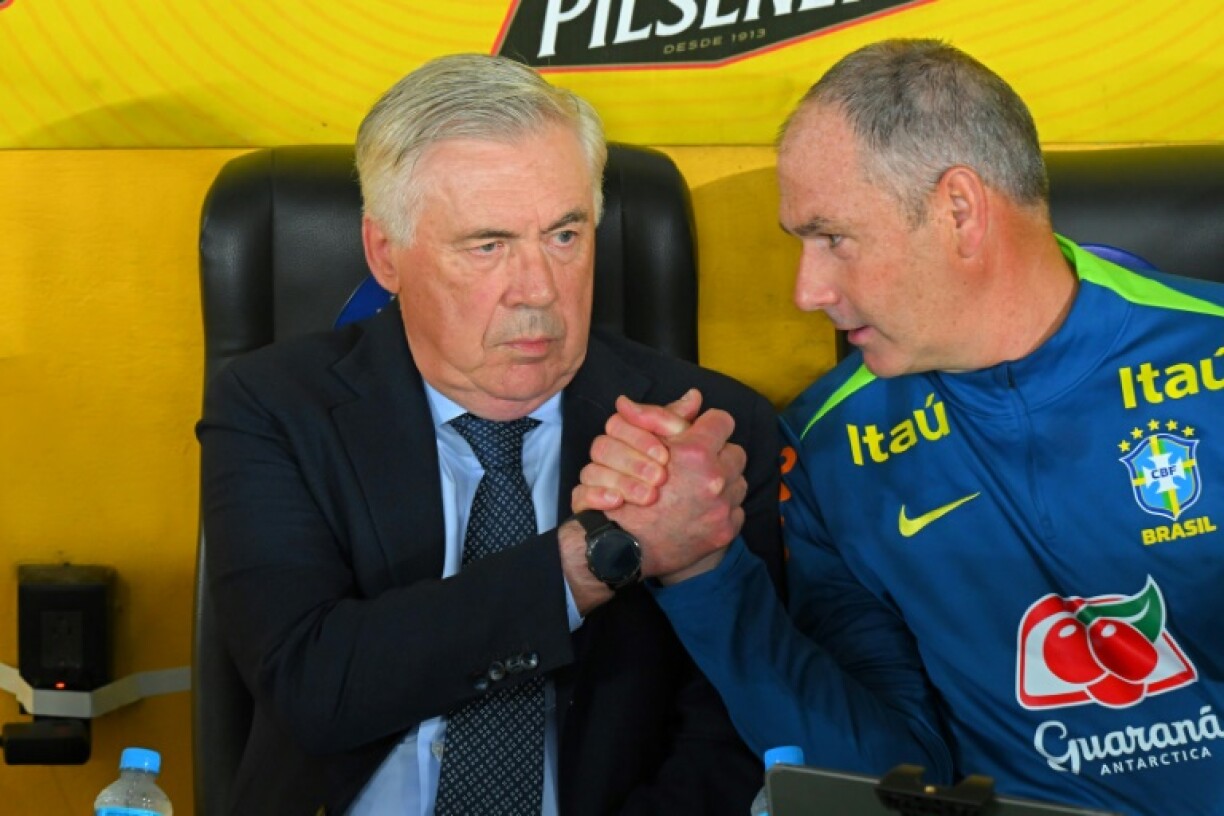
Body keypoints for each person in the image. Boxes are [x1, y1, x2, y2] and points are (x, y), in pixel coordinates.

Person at [574, 39, 1224, 816]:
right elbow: (878, 777)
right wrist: (704, 572)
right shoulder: (828, 448)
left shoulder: (1208, 353)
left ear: (959, 211)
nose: (807, 291)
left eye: (834, 239)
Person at [197, 53, 783, 815]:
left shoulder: (709, 430)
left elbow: (738, 739)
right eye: (489, 245)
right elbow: (315, 686)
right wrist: (597, 556)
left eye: (566, 235)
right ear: (386, 254)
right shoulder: (276, 407)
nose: (539, 288)